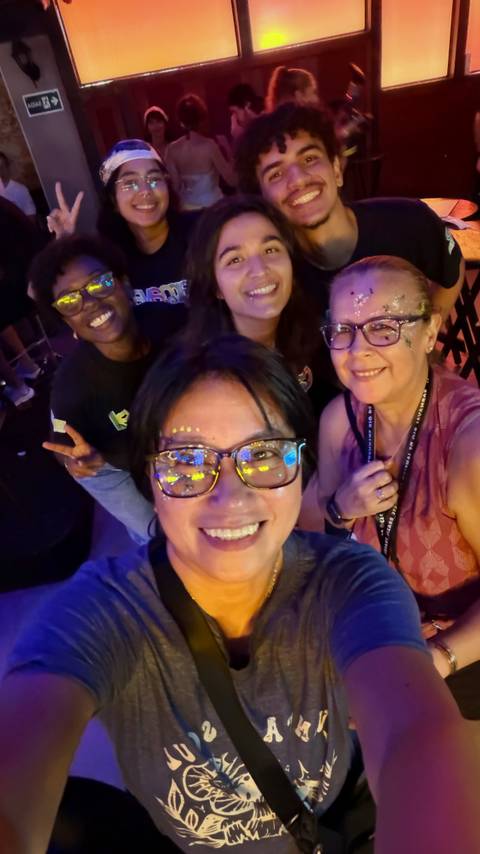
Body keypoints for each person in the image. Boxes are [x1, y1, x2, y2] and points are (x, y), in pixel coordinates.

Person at [1, 334, 480, 853]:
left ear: (303, 467)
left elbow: (420, 740)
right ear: (150, 480)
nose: (231, 496)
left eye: (266, 453)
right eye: (186, 462)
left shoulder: (350, 583)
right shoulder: (103, 611)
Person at [299, 255, 480, 719]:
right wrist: (341, 508)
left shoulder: (467, 444)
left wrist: (433, 662)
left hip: (461, 654)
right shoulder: (342, 420)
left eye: (383, 327)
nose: (356, 352)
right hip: (378, 628)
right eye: (342, 331)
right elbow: (313, 534)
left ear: (428, 330)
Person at [235, 103, 465, 320]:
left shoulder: (408, 221)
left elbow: (452, 268)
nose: (298, 180)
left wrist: (428, 335)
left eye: (309, 158)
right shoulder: (276, 274)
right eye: (275, 174)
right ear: (263, 200)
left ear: (336, 169)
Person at [28, 233, 187, 542]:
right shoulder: (72, 387)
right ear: (65, 320)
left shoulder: (176, 324)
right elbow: (62, 441)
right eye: (70, 300)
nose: (89, 303)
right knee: (163, 542)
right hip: (142, 478)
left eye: (99, 283)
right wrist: (78, 460)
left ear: (125, 284)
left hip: (207, 458)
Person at [183, 194, 336, 415]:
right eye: (235, 259)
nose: (260, 269)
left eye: (270, 250)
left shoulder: (321, 337)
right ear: (215, 286)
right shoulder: (202, 380)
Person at [47, 140, 196, 306]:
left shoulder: (199, 233)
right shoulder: (105, 256)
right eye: (130, 183)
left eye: (154, 178)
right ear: (113, 199)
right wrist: (63, 244)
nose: (145, 190)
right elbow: (39, 293)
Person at [165, 94, 236, 210]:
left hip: (187, 209)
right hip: (213, 208)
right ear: (202, 118)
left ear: (180, 120)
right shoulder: (209, 146)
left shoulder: (172, 149)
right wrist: (228, 149)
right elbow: (232, 180)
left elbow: (175, 186)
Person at [0, 151, 36, 219]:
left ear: (7, 167)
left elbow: (31, 217)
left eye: (2, 166)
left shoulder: (21, 190)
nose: (0, 171)